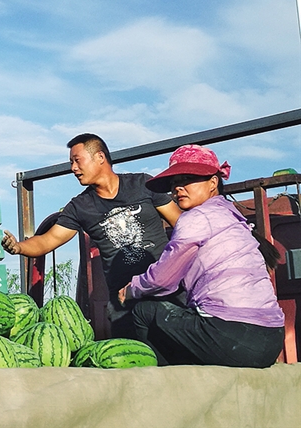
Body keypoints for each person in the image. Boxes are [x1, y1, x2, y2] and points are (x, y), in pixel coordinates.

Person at [117, 145, 285, 367]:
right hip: (272, 338)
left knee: (143, 311)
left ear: (213, 183)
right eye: (173, 183)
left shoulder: (196, 217)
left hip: (234, 336)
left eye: (187, 179)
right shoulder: (232, 216)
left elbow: (163, 279)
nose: (178, 188)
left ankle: (161, 387)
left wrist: (132, 289)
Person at [1, 133, 182, 338]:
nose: (73, 168)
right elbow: (47, 240)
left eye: (77, 161)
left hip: (167, 290)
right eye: (71, 163)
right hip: (124, 303)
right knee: (137, 363)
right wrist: (19, 247)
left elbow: (182, 224)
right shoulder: (80, 206)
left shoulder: (142, 184)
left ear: (100, 157)